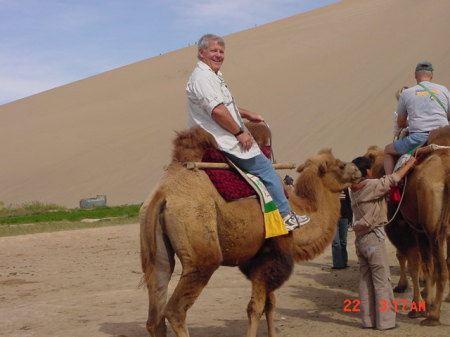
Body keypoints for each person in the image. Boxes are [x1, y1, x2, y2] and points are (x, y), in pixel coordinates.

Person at [186, 33, 310, 231]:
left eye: (221, 51)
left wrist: (247, 114)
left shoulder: (211, 76)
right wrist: (239, 133)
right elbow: (217, 111)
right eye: (213, 51)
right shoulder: (203, 78)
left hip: (219, 133)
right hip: (221, 138)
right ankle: (285, 215)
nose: (218, 55)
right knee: (266, 169)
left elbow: (224, 106)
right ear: (201, 53)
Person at [350, 155, 416, 330]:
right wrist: (409, 164)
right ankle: (386, 323)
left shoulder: (353, 188)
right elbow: (393, 179)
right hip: (373, 239)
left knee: (365, 281)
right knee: (382, 282)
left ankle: (368, 320)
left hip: (360, 240)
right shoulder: (371, 186)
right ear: (367, 171)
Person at [384, 61, 450, 174]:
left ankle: (389, 183)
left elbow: (400, 123)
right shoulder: (444, 90)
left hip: (419, 138)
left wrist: (414, 122)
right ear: (431, 75)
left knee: (387, 150)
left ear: (415, 75)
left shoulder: (406, 94)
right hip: (444, 135)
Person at [331, 188, 352, 269]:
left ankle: (344, 262)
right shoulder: (329, 187)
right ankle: (337, 264)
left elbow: (348, 202)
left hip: (344, 217)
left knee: (343, 242)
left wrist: (350, 218)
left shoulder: (345, 188)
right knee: (335, 242)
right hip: (332, 218)